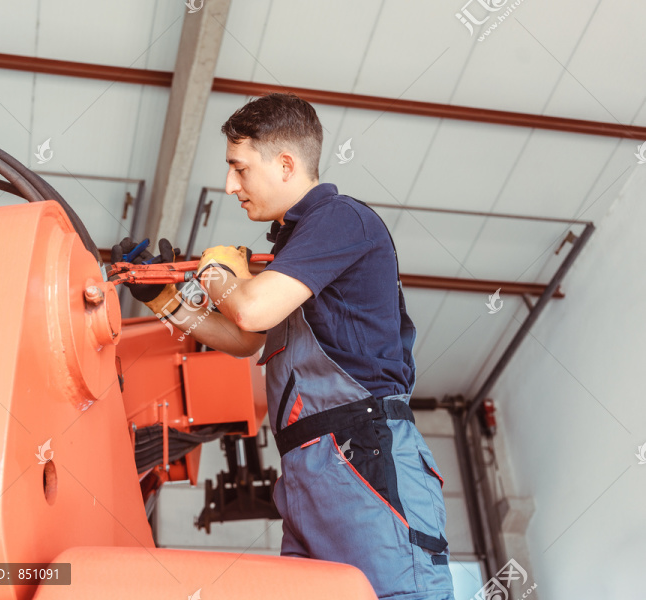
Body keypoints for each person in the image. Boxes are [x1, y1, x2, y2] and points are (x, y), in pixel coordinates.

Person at [114, 92, 454, 600]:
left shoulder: (342, 220)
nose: (231, 186)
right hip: (303, 474)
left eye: (239, 169)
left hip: (364, 459)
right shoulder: (295, 252)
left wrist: (219, 275)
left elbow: (250, 310)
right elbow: (242, 339)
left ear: (287, 164)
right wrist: (164, 296)